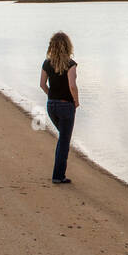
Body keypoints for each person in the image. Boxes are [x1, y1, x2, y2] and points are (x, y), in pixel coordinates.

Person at [39, 31, 79, 184]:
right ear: (68, 46)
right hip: (66, 106)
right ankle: (58, 176)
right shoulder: (71, 64)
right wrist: (76, 101)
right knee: (64, 140)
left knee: (62, 139)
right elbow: (72, 86)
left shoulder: (46, 63)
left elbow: (42, 85)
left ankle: (59, 173)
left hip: (51, 106)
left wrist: (51, 96)